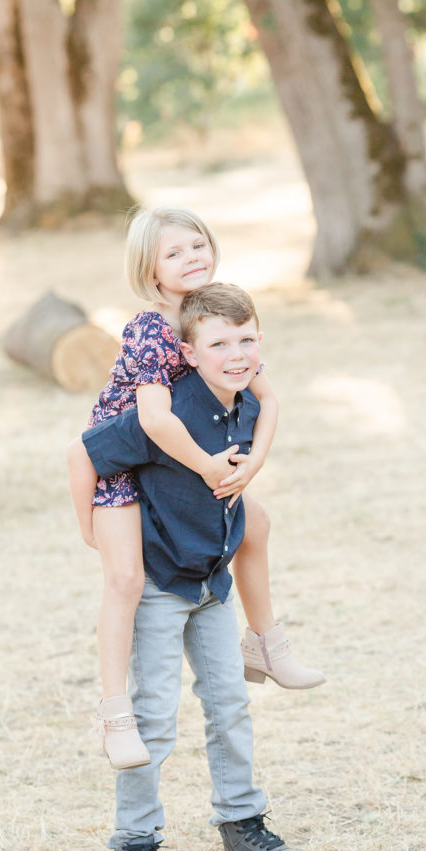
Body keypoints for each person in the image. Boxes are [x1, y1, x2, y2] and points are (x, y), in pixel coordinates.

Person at [78, 283, 316, 851]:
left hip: (213, 586)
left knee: (231, 705)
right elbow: (87, 450)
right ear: (186, 351)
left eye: (246, 340)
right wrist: (89, 530)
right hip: (157, 585)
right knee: (153, 719)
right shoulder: (163, 413)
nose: (235, 354)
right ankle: (135, 848)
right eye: (218, 343)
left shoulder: (247, 404)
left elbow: (268, 417)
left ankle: (242, 825)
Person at [67, 207, 324, 771]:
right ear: (150, 269)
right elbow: (154, 423)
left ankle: (265, 643)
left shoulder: (218, 315)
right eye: (174, 253)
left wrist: (251, 465)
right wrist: (210, 468)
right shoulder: (151, 328)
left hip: (182, 463)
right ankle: (114, 715)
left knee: (256, 523)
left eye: (197, 245)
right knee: (125, 577)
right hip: (124, 463)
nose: (191, 259)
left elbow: (270, 399)